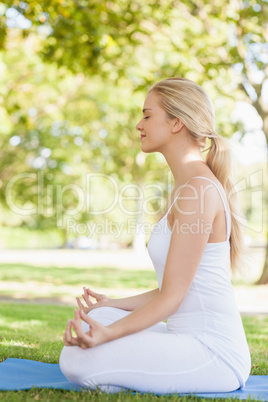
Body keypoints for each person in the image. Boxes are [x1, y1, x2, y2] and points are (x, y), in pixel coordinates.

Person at [59, 77, 251, 394]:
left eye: (147, 115)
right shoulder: (186, 186)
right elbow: (172, 288)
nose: (139, 124)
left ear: (176, 122)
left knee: (77, 360)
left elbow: (171, 299)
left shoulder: (197, 191)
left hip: (214, 352)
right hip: (183, 337)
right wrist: (113, 304)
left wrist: (109, 335)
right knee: (99, 315)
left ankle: (119, 376)